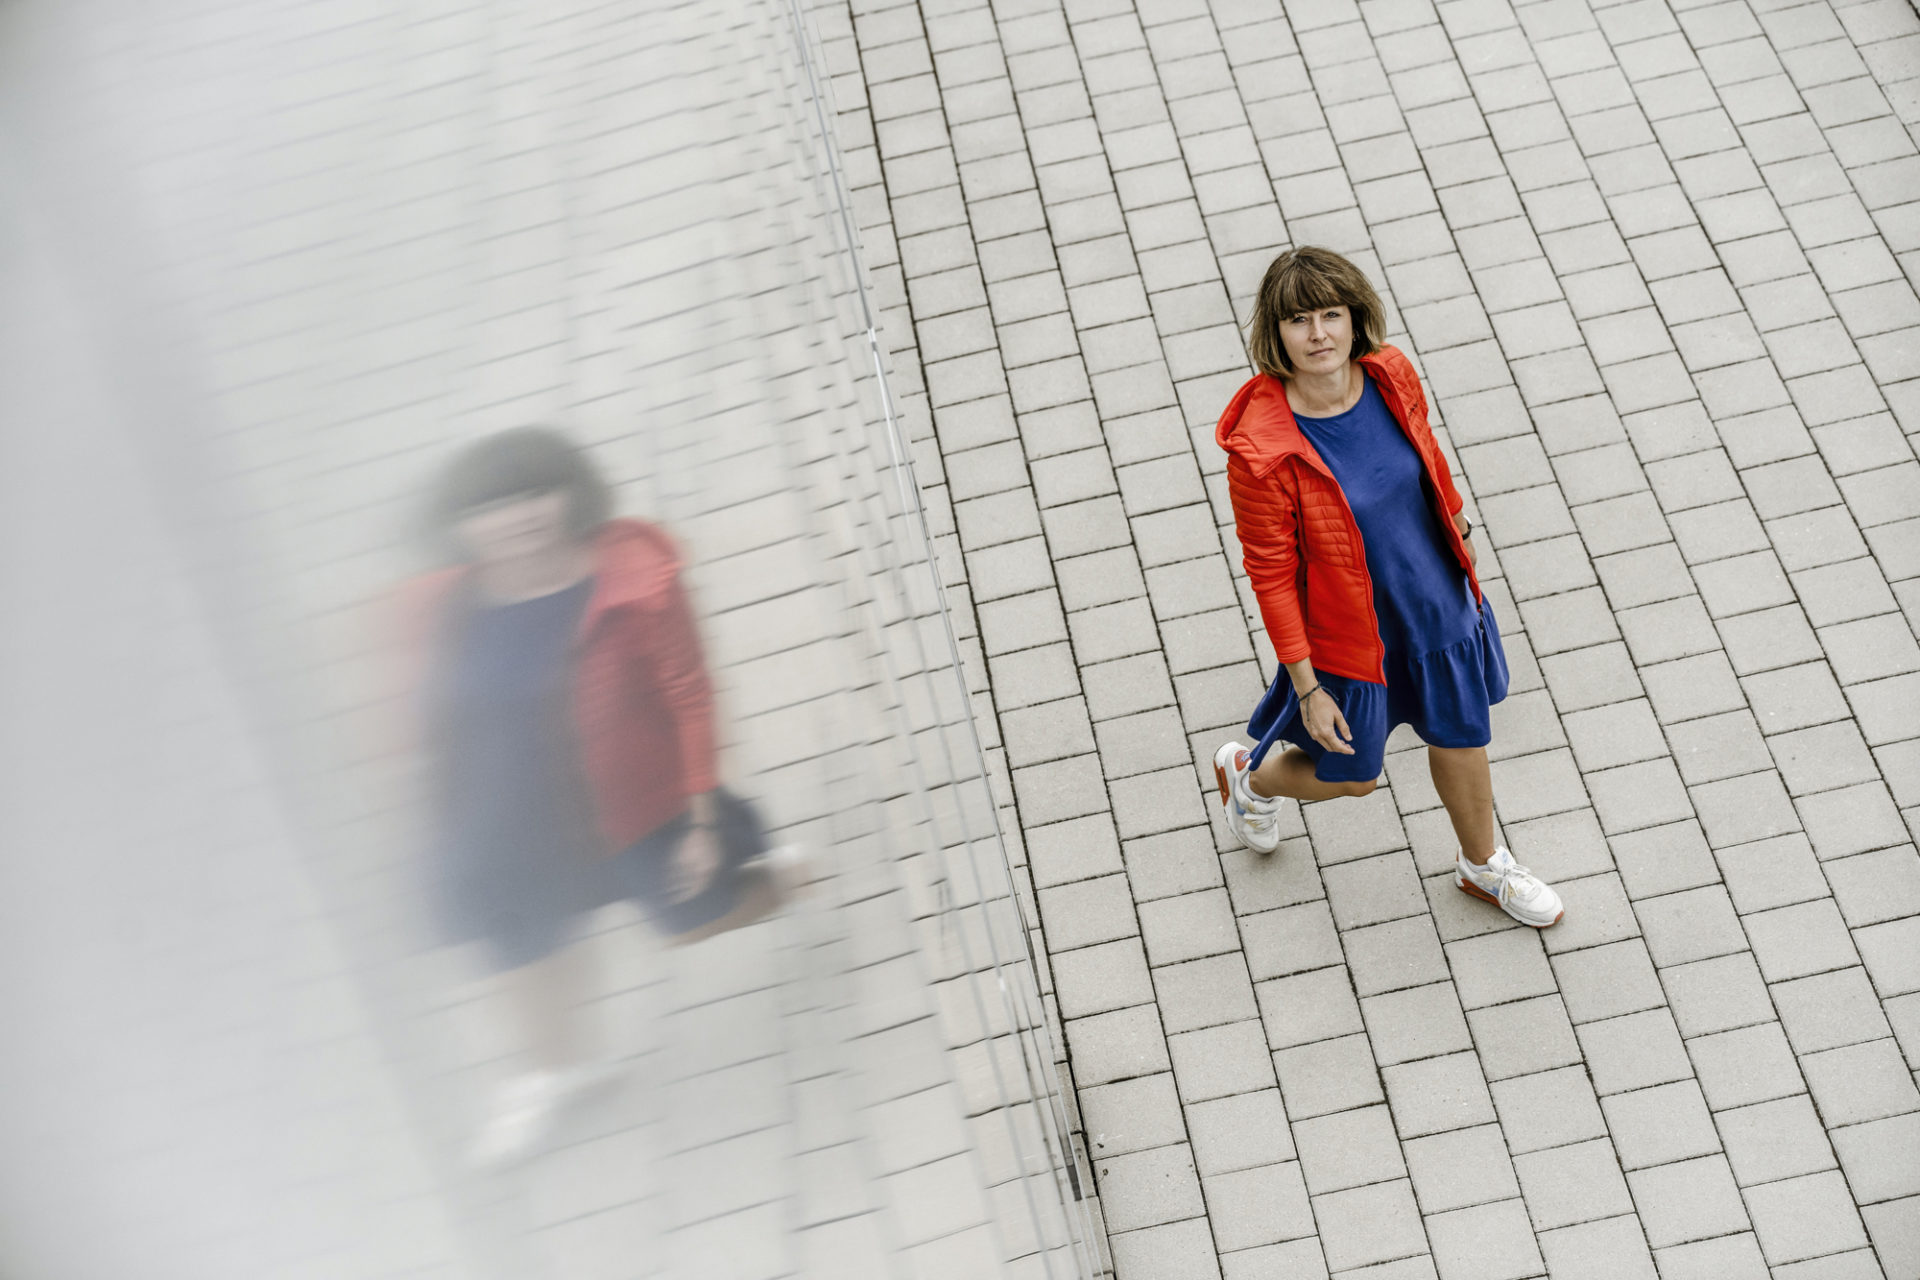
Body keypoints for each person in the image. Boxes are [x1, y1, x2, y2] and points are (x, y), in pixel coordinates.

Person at [397, 427, 799, 1166]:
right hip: (505, 815)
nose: (518, 518)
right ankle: (552, 1074)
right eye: (492, 506)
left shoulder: (634, 582)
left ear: (569, 494)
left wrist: (703, 819)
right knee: (521, 939)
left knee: (701, 911)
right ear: (460, 523)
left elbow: (689, 696)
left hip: (632, 807)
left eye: (534, 494)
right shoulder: (441, 602)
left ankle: (774, 869)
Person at [1211, 246, 1563, 929]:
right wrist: (1308, 689)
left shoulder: (1390, 374)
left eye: (1330, 315)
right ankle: (1250, 779)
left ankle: (1483, 866)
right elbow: (1272, 577)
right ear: (1274, 334)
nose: (1318, 335)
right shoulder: (1261, 453)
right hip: (1351, 637)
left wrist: (1456, 515)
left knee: (1461, 733)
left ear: (1354, 319)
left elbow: (1427, 452)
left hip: (1433, 603)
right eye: (1299, 320)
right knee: (1356, 775)